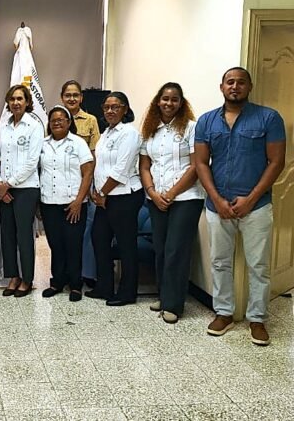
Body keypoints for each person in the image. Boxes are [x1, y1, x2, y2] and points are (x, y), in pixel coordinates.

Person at [195, 67, 286, 345]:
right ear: (221, 86)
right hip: (217, 205)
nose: (235, 86)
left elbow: (276, 162)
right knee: (220, 262)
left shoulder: (269, 118)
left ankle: (257, 318)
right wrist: (218, 200)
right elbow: (200, 163)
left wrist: (251, 199)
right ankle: (223, 313)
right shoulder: (207, 121)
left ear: (250, 86)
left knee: (258, 264)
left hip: (256, 206)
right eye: (230, 82)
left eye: (241, 82)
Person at [139, 82, 204, 324]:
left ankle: (174, 304)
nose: (169, 103)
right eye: (165, 99)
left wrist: (171, 193)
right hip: (155, 199)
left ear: (181, 102)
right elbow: (145, 166)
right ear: (158, 101)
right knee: (161, 248)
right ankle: (164, 295)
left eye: (174, 99)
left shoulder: (191, 128)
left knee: (177, 250)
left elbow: (196, 165)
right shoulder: (150, 130)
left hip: (186, 199)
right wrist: (153, 192)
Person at [86, 91, 144, 306]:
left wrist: (101, 193)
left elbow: (122, 168)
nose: (110, 111)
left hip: (124, 198)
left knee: (126, 245)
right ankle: (104, 287)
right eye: (107, 107)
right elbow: (99, 165)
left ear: (125, 109)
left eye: (115, 107)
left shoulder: (129, 133)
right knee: (99, 239)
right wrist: (96, 191)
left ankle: (127, 293)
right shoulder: (107, 133)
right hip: (104, 198)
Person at [39, 105, 94, 302]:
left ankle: (76, 284)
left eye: (61, 119)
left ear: (69, 123)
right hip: (49, 202)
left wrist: (79, 201)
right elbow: (38, 172)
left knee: (73, 244)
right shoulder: (42, 144)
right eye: (53, 120)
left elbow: (88, 172)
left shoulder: (78, 143)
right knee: (55, 244)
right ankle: (57, 281)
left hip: (73, 204)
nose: (57, 122)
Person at [0, 84, 44, 298]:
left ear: (26, 102)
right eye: (12, 99)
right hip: (4, 190)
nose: (16, 103)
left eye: (20, 99)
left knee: (24, 235)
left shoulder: (34, 126)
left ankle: (27, 279)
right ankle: (13, 276)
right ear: (8, 102)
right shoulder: (4, 126)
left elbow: (32, 161)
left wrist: (10, 183)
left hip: (26, 189)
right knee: (7, 234)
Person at [60, 80, 101, 288]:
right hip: (62, 184)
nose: (72, 99)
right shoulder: (56, 118)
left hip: (85, 181)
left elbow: (94, 155)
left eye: (75, 95)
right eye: (68, 95)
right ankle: (65, 273)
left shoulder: (91, 120)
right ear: (61, 98)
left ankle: (86, 274)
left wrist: (92, 184)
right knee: (63, 232)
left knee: (86, 229)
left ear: (81, 97)